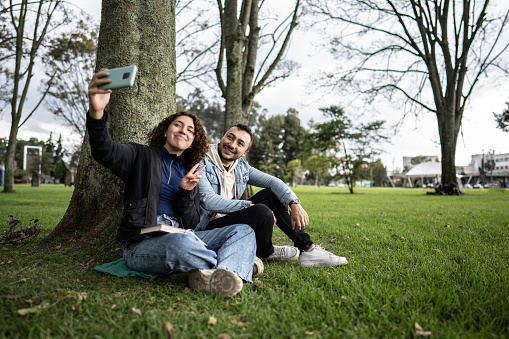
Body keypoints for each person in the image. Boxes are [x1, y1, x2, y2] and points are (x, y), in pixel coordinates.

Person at [87, 70, 258, 297]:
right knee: (180, 244)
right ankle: (235, 263)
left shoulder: (192, 171)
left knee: (243, 231)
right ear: (166, 129)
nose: (183, 131)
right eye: (178, 125)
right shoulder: (140, 155)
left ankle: (218, 274)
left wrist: (186, 192)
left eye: (190, 130)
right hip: (145, 243)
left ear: (193, 141)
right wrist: (97, 111)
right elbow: (103, 150)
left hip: (186, 235)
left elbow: (192, 222)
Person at [195, 123, 348, 267]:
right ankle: (266, 252)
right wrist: (248, 206)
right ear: (222, 137)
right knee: (261, 211)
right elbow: (208, 201)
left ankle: (308, 249)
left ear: (245, 152)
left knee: (272, 195)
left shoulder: (241, 166)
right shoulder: (201, 158)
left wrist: (294, 202)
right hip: (207, 226)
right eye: (230, 137)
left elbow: (273, 182)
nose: (232, 145)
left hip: (229, 218)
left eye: (240, 143)